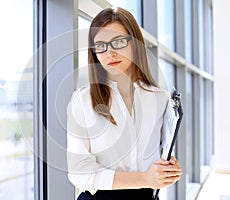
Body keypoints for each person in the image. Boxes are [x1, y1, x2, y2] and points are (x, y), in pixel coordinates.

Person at [66, 7, 182, 200]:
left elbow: (160, 154)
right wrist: (145, 179)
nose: (109, 52)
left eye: (118, 42)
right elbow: (79, 172)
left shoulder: (161, 98)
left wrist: (168, 170)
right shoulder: (83, 100)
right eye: (100, 45)